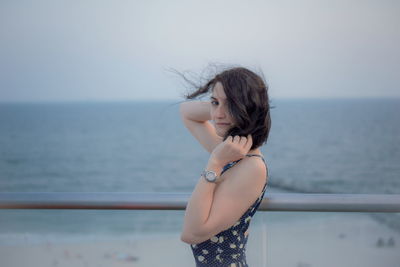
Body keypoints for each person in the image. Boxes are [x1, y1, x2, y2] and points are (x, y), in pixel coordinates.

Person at [176, 64, 272, 266]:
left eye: (231, 104)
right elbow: (186, 111)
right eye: (214, 103)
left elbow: (192, 233)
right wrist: (222, 104)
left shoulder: (251, 166)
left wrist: (215, 163)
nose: (218, 114)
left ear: (249, 106)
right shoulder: (231, 152)